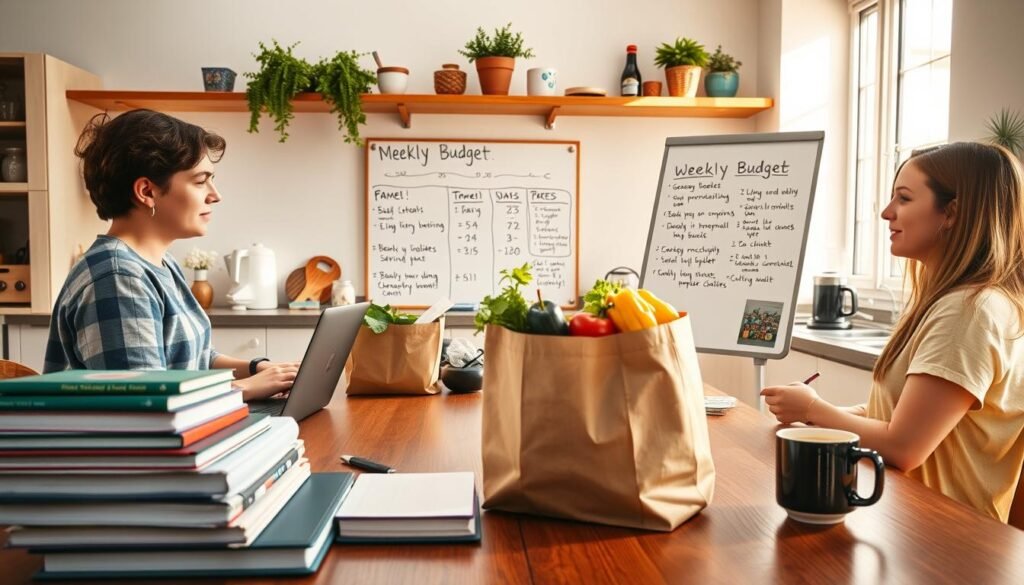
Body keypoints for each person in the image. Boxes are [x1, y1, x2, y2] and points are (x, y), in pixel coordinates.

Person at [761, 141, 1024, 523]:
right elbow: (904, 413)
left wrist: (815, 409)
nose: (887, 213)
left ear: (951, 213)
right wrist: (819, 417)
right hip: (907, 525)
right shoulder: (953, 303)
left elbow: (904, 446)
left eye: (903, 198)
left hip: (944, 543)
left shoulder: (969, 312)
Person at [43, 109, 297, 401]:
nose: (215, 195)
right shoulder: (118, 278)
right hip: (126, 446)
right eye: (201, 181)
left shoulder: (159, 262)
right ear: (146, 191)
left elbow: (189, 358)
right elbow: (143, 402)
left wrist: (258, 369)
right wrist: (246, 389)